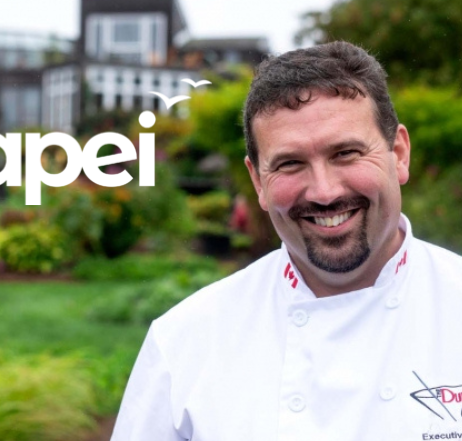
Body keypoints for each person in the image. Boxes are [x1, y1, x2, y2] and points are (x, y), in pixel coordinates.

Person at [111, 41, 462, 440]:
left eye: (346, 153)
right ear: (258, 181)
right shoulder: (185, 342)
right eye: (290, 163)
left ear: (398, 153)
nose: (324, 192)